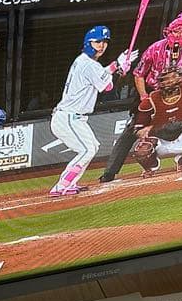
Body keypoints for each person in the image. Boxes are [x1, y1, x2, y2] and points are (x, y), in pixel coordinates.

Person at [99, 12, 182, 182]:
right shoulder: (155, 49)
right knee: (132, 128)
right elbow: (139, 74)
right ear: (169, 32)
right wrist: (144, 96)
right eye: (174, 31)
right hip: (153, 90)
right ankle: (110, 172)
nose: (177, 35)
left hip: (180, 89)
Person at [49, 25, 137, 196]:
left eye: (105, 42)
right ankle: (61, 185)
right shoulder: (88, 64)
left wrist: (117, 67)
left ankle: (69, 183)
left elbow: (102, 74)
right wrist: (119, 67)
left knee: (92, 147)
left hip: (73, 118)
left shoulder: (84, 61)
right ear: (88, 43)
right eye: (98, 42)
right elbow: (108, 87)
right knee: (87, 150)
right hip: (68, 117)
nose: (102, 46)